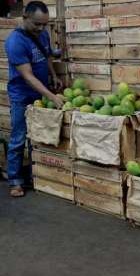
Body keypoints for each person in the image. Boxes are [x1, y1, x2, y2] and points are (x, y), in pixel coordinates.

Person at [5, 1, 63, 197]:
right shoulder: (15, 42)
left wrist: (53, 76)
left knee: (37, 138)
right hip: (22, 96)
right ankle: (15, 180)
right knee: (18, 138)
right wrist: (52, 97)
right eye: (37, 24)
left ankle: (33, 176)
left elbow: (46, 55)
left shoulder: (43, 34)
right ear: (25, 17)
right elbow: (27, 76)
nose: (41, 28)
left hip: (40, 94)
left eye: (44, 24)